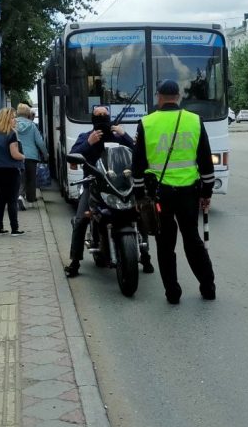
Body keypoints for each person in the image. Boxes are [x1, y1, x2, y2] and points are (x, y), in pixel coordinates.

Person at [131, 80, 215, 304]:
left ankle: (173, 293)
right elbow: (206, 161)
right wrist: (207, 193)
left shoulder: (146, 123)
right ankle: (208, 287)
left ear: (158, 96)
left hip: (159, 195)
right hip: (189, 193)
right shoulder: (195, 121)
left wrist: (139, 196)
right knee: (193, 241)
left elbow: (137, 165)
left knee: (165, 245)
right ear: (178, 96)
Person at [63, 106, 153, 277]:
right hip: (95, 186)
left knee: (140, 215)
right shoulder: (85, 137)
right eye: (99, 116)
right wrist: (89, 143)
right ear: (93, 118)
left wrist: (123, 134)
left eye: (105, 115)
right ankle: (74, 262)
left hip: (122, 185)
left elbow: (138, 153)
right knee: (81, 219)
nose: (103, 118)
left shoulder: (119, 136)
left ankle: (146, 255)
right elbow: (73, 155)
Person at [0, 107, 26, 236]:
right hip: (11, 170)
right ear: (7, 119)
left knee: (0, 200)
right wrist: (23, 156)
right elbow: (14, 154)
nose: (15, 120)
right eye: (13, 117)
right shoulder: (11, 134)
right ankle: (15, 228)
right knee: (12, 200)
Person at [15, 104, 49, 210]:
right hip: (31, 156)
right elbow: (39, 142)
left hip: (17, 154)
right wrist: (45, 154)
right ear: (28, 113)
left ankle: (20, 196)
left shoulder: (13, 124)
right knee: (31, 178)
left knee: (20, 177)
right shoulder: (32, 125)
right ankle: (30, 200)